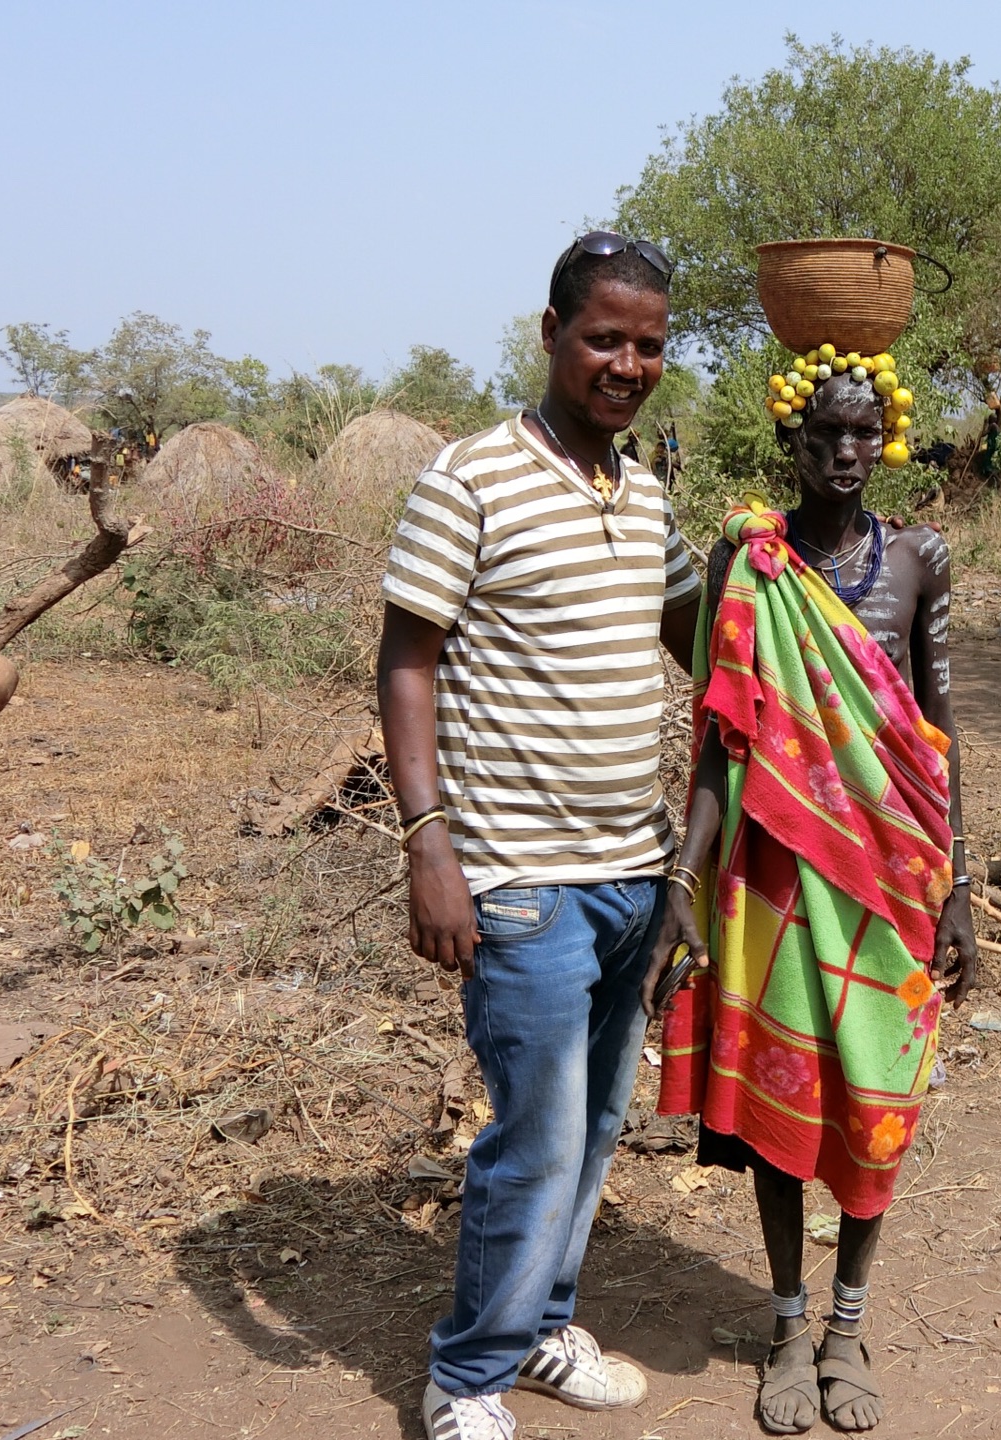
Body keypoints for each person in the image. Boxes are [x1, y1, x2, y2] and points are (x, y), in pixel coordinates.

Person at [378, 232, 703, 1440]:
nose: (627, 363)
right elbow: (406, 661)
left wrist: (805, 634)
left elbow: (698, 636)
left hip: (632, 868)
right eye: (605, 337)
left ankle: (546, 1324)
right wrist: (428, 843)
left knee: (600, 1123)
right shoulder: (472, 480)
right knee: (539, 1130)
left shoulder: (645, 490)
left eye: (649, 344)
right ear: (553, 332)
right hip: (520, 877)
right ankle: (466, 1376)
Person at [655, 348, 978, 1434]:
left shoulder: (921, 560)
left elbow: (936, 739)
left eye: (863, 432)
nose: (845, 452)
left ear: (884, 437)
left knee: (880, 1105)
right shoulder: (750, 562)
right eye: (823, 435)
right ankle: (789, 1328)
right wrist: (682, 878)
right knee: (780, 1110)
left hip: (891, 880)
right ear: (792, 444)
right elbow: (718, 736)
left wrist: (961, 887)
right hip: (775, 878)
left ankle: (852, 1325)